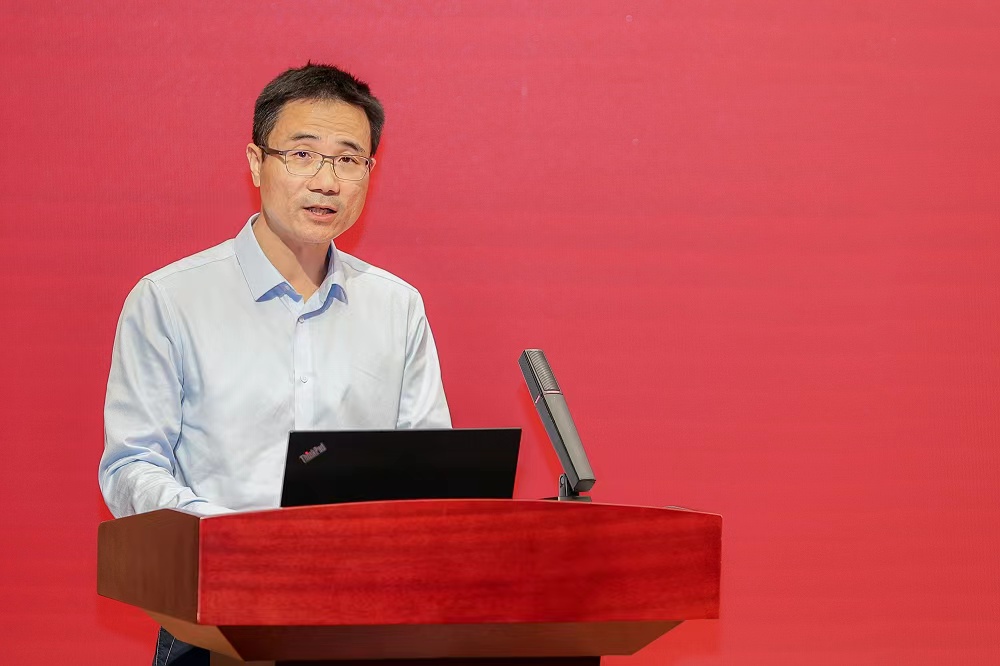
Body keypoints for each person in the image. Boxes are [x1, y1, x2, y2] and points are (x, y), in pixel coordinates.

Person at [99, 63, 451, 666]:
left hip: (361, 619)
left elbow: (428, 467)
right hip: (213, 618)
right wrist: (227, 538)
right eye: (303, 154)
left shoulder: (397, 306)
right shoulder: (169, 299)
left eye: (348, 160)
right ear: (257, 162)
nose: (326, 181)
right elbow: (132, 464)